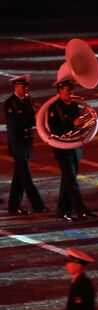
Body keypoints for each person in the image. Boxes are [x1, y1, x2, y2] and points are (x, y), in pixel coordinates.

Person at [48, 78, 96, 222]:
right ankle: (81, 211)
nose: (71, 92)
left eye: (71, 89)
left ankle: (62, 211)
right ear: (60, 90)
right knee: (71, 181)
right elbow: (55, 130)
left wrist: (83, 125)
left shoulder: (73, 106)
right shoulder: (54, 108)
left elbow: (78, 127)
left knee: (68, 180)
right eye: (68, 90)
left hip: (74, 148)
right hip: (62, 150)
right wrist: (72, 124)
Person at [4, 74, 48, 215]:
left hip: (26, 144)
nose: (26, 89)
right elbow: (15, 123)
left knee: (19, 178)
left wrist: (39, 113)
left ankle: (13, 206)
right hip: (17, 145)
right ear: (16, 87)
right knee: (27, 178)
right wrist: (32, 117)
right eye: (23, 86)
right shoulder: (10, 103)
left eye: (27, 86)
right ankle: (38, 205)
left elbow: (33, 122)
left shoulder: (27, 101)